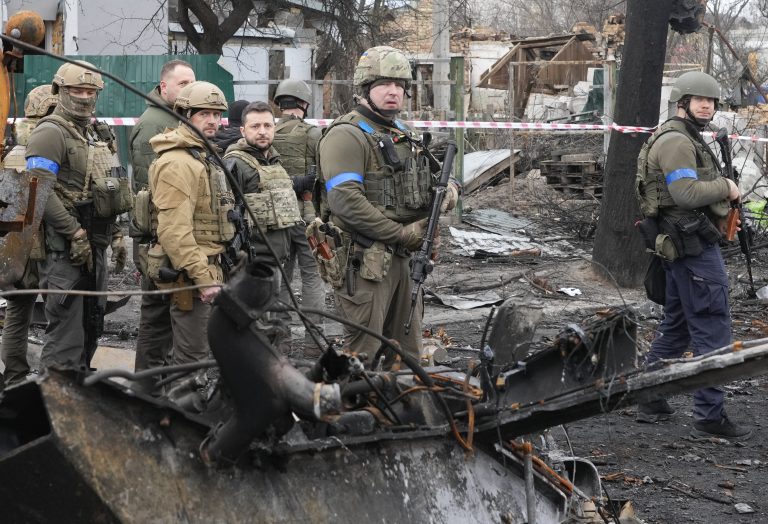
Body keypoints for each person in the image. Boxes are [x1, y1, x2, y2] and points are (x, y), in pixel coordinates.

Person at [316, 46, 458, 366]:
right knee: (362, 356)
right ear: (365, 89)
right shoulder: (347, 135)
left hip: (404, 261)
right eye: (384, 84)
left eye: (400, 85)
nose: (394, 92)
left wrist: (448, 194)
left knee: (406, 356)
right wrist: (403, 233)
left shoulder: (402, 134)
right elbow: (345, 201)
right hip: (364, 261)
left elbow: (436, 183)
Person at [635, 71, 750, 440]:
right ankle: (709, 415)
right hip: (691, 246)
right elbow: (684, 193)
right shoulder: (676, 141)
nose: (707, 105)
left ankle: (650, 397)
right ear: (682, 102)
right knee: (712, 324)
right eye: (699, 99)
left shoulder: (683, 136)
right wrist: (727, 186)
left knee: (680, 323)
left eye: (712, 101)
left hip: (683, 243)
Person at [25, 61, 131, 370]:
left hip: (95, 245)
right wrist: (74, 232)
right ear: (60, 91)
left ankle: (80, 397)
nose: (85, 97)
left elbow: (109, 187)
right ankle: (52, 405)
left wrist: (116, 234)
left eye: (90, 91)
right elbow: (39, 191)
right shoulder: (50, 132)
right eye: (77, 90)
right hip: (64, 251)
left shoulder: (96, 132)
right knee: (66, 338)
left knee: (92, 328)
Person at [148, 81, 234, 366]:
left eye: (216, 114)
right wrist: (203, 277)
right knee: (191, 359)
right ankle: (182, 409)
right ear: (185, 114)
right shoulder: (180, 162)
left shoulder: (202, 155)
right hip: (190, 273)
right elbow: (174, 231)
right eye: (203, 114)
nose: (212, 121)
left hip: (205, 265)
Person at [129, 59, 195, 392]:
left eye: (192, 83)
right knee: (156, 317)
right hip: (158, 238)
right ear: (163, 86)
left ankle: (155, 387)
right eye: (183, 84)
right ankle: (145, 391)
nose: (190, 89)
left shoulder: (179, 119)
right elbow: (148, 193)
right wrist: (159, 246)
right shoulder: (154, 124)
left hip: (173, 235)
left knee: (169, 317)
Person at [223, 101, 305, 349]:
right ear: (243, 131)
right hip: (250, 264)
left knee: (273, 322)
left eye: (267, 125)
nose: (262, 131)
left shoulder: (273, 161)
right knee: (251, 327)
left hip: (276, 258)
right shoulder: (235, 163)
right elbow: (226, 215)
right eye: (255, 126)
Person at [1, 84, 58, 386]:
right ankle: (50, 379)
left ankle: (14, 377)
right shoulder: (51, 144)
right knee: (58, 315)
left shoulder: (12, 149)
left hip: (15, 244)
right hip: (46, 243)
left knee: (17, 312)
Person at [272, 79, 326, 343]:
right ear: (304, 103)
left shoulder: (266, 132)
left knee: (283, 276)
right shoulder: (313, 134)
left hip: (276, 217)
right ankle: (314, 343)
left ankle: (280, 342)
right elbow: (326, 176)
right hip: (308, 216)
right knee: (312, 275)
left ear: (279, 103)